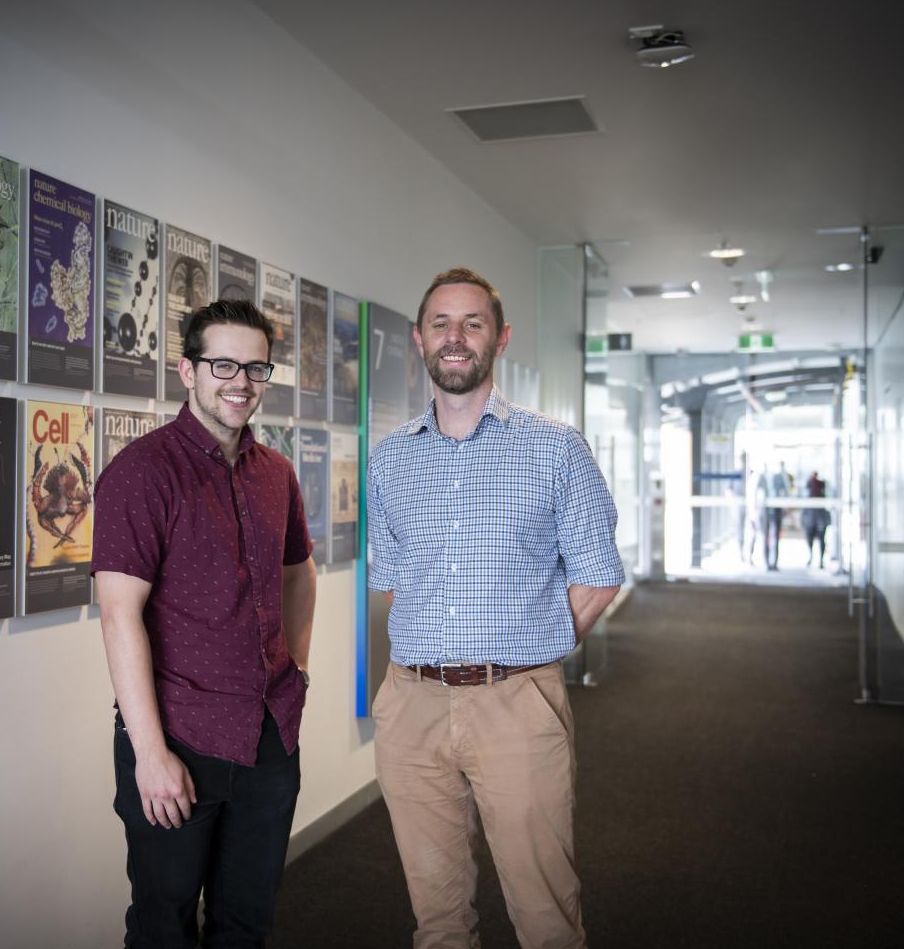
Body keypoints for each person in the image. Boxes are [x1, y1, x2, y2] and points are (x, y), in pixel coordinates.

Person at [367, 267, 624, 949]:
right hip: (411, 705)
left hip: (515, 701)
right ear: (419, 339)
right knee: (438, 917)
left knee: (544, 913)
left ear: (500, 339)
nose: (456, 338)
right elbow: (393, 580)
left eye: (472, 323)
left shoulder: (555, 448)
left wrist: (528, 645)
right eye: (441, 324)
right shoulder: (390, 460)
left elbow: (598, 576)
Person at [93, 299, 318, 948]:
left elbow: (299, 572)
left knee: (246, 923)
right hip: (178, 739)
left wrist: (295, 669)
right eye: (223, 363)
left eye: (255, 367)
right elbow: (118, 615)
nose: (240, 382)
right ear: (187, 370)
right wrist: (151, 753)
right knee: (164, 925)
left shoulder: (275, 473)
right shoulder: (142, 473)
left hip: (268, 740)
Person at [758, 461, 790, 570]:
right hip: (767, 510)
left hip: (773, 509)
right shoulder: (763, 477)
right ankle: (768, 562)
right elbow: (759, 492)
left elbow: (785, 492)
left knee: (772, 536)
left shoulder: (776, 477)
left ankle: (772, 563)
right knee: (768, 536)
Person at [802, 470, 830, 568]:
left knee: (821, 540)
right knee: (811, 540)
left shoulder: (821, 487)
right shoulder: (809, 488)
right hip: (811, 519)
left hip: (819, 518)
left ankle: (821, 560)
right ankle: (812, 557)